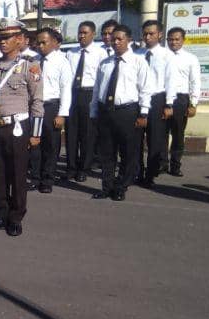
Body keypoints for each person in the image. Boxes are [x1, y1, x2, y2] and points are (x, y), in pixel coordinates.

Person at [0, 18, 43, 237]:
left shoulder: (29, 65)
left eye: (7, 38)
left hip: (18, 126)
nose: (2, 42)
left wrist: (35, 133)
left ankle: (15, 217)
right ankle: (0, 214)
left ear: (18, 39)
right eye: (0, 38)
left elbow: (37, 101)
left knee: (17, 174)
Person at [90, 24, 153, 201]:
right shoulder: (105, 63)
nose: (115, 42)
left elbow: (145, 89)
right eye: (113, 38)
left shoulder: (138, 62)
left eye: (119, 39)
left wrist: (143, 114)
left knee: (128, 152)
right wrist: (94, 111)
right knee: (106, 152)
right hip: (105, 112)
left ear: (129, 40)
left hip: (127, 111)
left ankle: (121, 186)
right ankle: (106, 186)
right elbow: (97, 89)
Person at [29, 27, 72, 193]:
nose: (40, 46)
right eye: (38, 42)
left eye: (44, 42)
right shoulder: (33, 60)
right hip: (34, 107)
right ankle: (35, 178)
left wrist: (62, 114)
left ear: (54, 43)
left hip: (51, 106)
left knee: (51, 145)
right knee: (34, 144)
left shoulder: (62, 62)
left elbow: (66, 89)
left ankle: (47, 179)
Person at [66, 21, 108, 181]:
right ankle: (71, 168)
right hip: (73, 93)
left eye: (85, 33)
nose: (81, 36)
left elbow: (102, 80)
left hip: (89, 94)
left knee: (87, 134)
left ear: (93, 34)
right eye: (79, 32)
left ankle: (83, 168)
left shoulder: (100, 53)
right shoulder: (71, 53)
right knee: (71, 133)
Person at [135, 20, 172, 186]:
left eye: (151, 33)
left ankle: (151, 174)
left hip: (157, 99)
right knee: (135, 138)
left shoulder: (167, 55)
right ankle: (136, 172)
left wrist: (169, 104)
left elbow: (171, 81)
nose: (148, 37)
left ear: (160, 34)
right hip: (138, 99)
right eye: (145, 34)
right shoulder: (137, 54)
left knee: (155, 139)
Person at [162, 27, 201, 177]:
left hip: (181, 99)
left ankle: (175, 165)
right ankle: (162, 163)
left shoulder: (191, 59)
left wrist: (193, 103)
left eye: (177, 39)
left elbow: (195, 82)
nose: (173, 42)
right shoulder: (162, 56)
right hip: (162, 98)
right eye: (170, 39)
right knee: (161, 133)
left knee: (178, 134)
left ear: (183, 40)